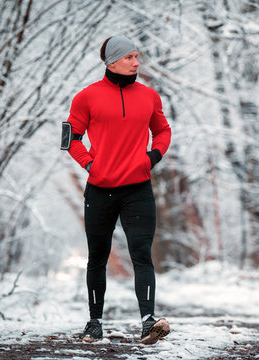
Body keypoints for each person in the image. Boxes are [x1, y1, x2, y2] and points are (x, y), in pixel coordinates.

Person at [62, 35, 171, 345]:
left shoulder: (149, 96)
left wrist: (153, 157)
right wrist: (89, 164)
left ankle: (149, 321)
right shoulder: (86, 97)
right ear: (111, 61)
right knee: (97, 257)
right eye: (130, 57)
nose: (137, 62)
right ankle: (94, 323)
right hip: (100, 190)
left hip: (138, 189)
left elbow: (162, 130)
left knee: (141, 254)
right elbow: (71, 136)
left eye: (137, 56)